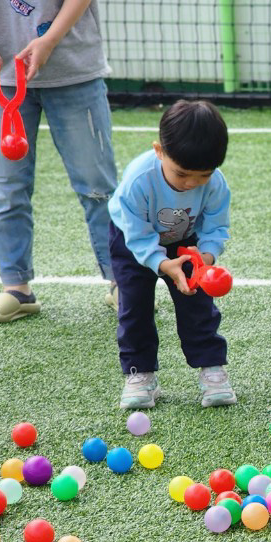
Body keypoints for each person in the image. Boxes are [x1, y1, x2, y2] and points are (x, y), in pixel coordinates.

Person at [0, 0, 118, 322]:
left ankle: (122, 281)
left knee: (98, 187)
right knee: (5, 189)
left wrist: (48, 41)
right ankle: (16, 288)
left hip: (74, 70)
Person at [108, 100, 235, 409]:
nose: (191, 183)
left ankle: (212, 369)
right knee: (135, 307)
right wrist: (162, 264)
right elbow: (137, 235)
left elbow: (216, 227)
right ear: (159, 151)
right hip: (132, 244)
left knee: (199, 306)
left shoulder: (216, 184)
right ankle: (140, 374)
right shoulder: (138, 181)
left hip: (187, 245)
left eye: (203, 176)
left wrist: (205, 260)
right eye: (182, 174)